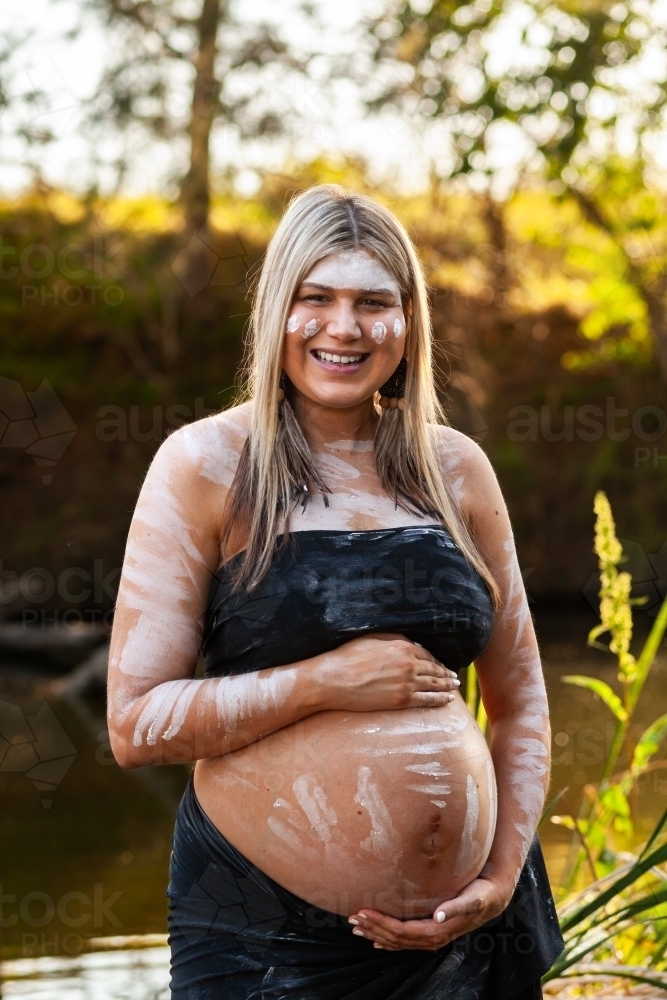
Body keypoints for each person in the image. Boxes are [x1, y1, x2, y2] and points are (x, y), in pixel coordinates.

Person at [107, 185, 563, 999]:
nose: (343, 327)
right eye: (314, 298)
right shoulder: (206, 466)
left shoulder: (455, 469)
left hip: (467, 938)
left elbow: (520, 698)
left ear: (408, 320)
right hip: (264, 937)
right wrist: (323, 684)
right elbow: (136, 724)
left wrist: (492, 884)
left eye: (372, 302)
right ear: (276, 310)